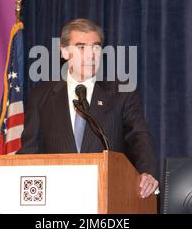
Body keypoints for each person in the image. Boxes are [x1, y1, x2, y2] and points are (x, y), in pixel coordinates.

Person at [17, 18, 159, 198]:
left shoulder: (121, 93)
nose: (91, 55)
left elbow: (139, 136)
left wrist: (147, 171)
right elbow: (30, 150)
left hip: (108, 194)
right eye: (81, 47)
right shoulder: (41, 98)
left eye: (96, 47)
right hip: (57, 197)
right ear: (65, 51)